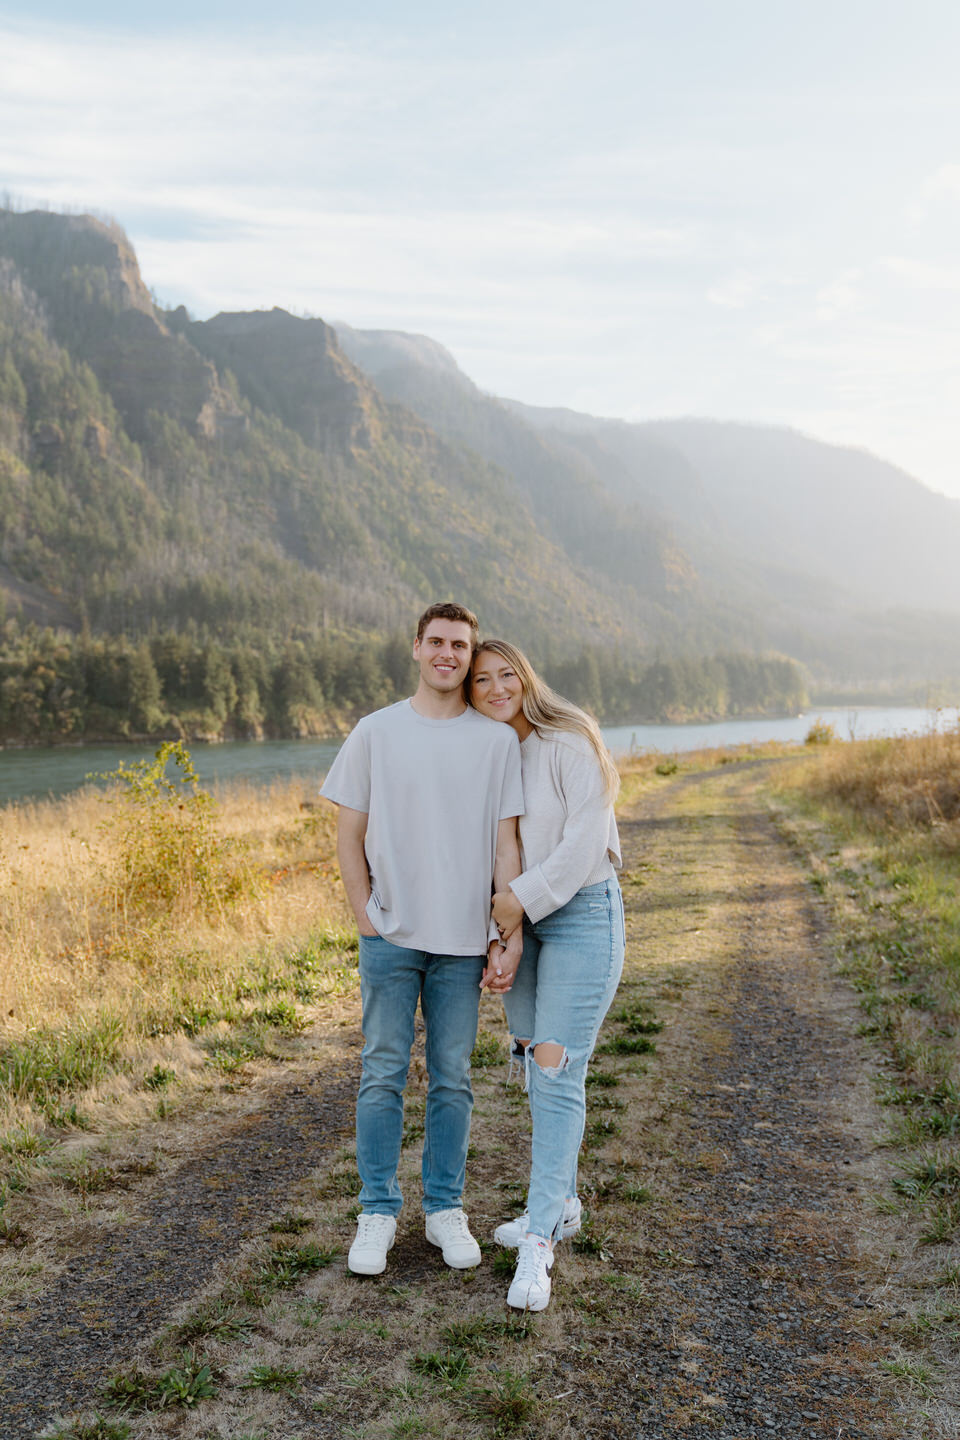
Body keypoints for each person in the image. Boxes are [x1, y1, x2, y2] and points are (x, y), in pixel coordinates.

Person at [320, 602, 524, 1276]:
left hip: (463, 941)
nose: (448, 654)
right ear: (416, 648)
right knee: (381, 1072)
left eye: (460, 646)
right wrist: (364, 917)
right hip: (390, 935)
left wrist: (505, 930)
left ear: (470, 655)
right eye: (436, 642)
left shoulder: (494, 741)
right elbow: (348, 836)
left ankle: (444, 1211)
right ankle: (377, 1211)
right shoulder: (376, 732)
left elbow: (504, 846)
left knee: (453, 1078)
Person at [470, 638, 624, 1312]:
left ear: (526, 677)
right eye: (483, 680)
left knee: (558, 1069)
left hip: (585, 912)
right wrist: (504, 931)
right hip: (526, 920)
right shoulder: (495, 757)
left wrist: (518, 904)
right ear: (470, 693)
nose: (498, 687)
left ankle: (537, 1243)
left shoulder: (571, 740)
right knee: (534, 1062)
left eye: (508, 674)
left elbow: (584, 842)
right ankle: (559, 1203)